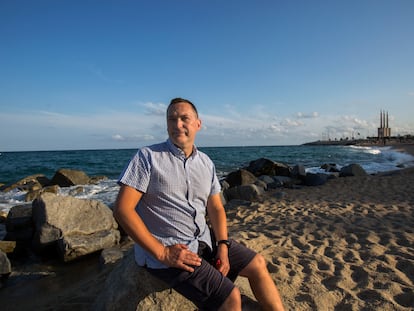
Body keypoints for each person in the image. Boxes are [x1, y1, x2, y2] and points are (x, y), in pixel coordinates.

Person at [113, 98, 285, 311]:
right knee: (231, 297)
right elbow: (123, 209)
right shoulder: (148, 157)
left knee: (258, 264)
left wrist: (223, 245)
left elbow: (215, 207)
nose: (178, 125)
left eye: (185, 118)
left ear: (198, 124)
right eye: (172, 119)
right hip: (171, 246)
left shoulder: (205, 162)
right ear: (166, 124)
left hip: (203, 239)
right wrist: (162, 253)